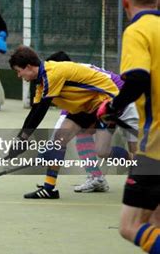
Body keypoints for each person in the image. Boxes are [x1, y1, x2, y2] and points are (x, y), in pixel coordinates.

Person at [96, 0, 159, 254]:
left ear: (125, 1)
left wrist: (111, 107)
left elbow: (136, 79)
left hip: (154, 148)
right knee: (155, 220)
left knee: (130, 226)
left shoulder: (137, 30)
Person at [7, 45, 121, 199]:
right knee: (59, 139)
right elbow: (34, 111)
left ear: (28, 67)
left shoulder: (52, 73)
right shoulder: (41, 81)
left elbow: (41, 111)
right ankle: (49, 189)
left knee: (102, 151)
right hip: (85, 105)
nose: (18, 76)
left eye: (18, 71)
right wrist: (21, 140)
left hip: (106, 101)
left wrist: (22, 140)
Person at [46, 51, 139, 193]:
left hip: (130, 102)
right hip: (107, 105)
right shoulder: (71, 75)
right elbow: (72, 114)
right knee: (86, 135)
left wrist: (53, 145)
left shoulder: (75, 77)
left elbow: (66, 119)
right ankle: (97, 178)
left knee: (137, 151)